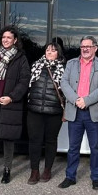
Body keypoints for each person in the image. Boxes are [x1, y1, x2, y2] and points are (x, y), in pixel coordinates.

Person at [59, 35, 98, 190]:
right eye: (82, 47)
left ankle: (96, 177)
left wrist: (86, 101)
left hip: (93, 112)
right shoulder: (71, 63)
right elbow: (64, 82)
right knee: (73, 147)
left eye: (88, 46)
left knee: (95, 147)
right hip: (74, 111)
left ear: (95, 48)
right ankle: (70, 176)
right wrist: (76, 99)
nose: (85, 49)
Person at [0, 27, 29, 184]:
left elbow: (24, 81)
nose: (6, 40)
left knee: (9, 139)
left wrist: (12, 97)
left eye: (9, 37)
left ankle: (7, 171)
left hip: (10, 104)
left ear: (15, 40)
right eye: (3, 37)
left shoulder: (21, 58)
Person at [25, 42, 66, 184]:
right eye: (47, 50)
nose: (49, 52)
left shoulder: (64, 69)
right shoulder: (36, 65)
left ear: (58, 53)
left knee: (50, 141)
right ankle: (34, 171)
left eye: (53, 50)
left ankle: (47, 169)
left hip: (54, 111)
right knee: (34, 141)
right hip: (35, 110)